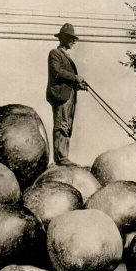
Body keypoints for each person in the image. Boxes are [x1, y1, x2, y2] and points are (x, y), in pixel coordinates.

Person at [46, 23, 87, 166]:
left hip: (69, 95)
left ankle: (64, 156)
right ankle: (61, 157)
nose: (74, 41)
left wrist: (78, 85)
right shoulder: (55, 53)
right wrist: (75, 77)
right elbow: (56, 71)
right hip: (60, 96)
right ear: (63, 38)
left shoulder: (65, 56)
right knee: (61, 124)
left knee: (67, 125)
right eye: (71, 38)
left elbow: (65, 77)